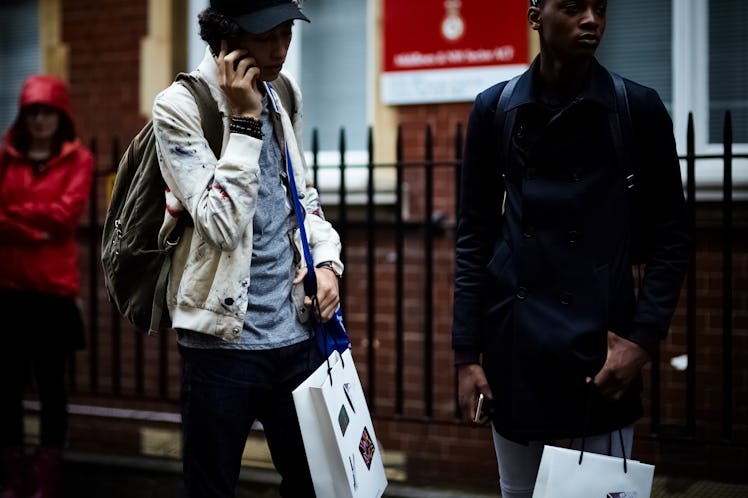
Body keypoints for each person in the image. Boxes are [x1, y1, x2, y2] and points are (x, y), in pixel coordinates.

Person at [451, 1, 691, 496]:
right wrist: (466, 355)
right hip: (515, 348)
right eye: (574, 6)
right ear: (536, 14)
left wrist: (641, 342)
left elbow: (673, 235)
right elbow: (474, 237)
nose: (591, 19)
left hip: (601, 355)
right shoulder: (496, 109)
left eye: (599, 7)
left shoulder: (635, 108)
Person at [151, 1, 343, 497]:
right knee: (211, 488)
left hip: (296, 336)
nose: (280, 49)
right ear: (227, 36)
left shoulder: (283, 91)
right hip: (220, 346)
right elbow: (218, 223)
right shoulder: (179, 107)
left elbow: (301, 196)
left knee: (313, 485)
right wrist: (244, 123)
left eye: (286, 34)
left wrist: (325, 263)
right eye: (266, 36)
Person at [0, 75, 93, 498]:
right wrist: (32, 227)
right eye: (33, 112)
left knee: (52, 386)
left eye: (47, 112)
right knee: (7, 386)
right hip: (9, 289)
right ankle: (13, 470)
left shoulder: (80, 160)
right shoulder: (5, 156)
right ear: (24, 116)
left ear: (60, 116)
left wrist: (15, 218)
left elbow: (64, 215)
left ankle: (46, 476)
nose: (40, 120)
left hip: (54, 294)